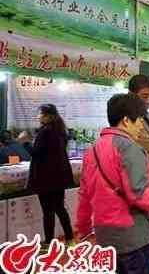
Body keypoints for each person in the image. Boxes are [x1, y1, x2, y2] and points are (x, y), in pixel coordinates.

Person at [77, 94, 149, 274]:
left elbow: (84, 196)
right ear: (126, 121)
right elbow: (139, 195)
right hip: (132, 239)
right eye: (139, 119)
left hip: (104, 238)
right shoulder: (129, 148)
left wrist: (84, 229)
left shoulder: (91, 151)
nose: (141, 125)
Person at [27, 104, 75, 248]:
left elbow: (36, 153)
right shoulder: (60, 130)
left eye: (40, 114)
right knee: (60, 208)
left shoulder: (45, 131)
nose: (38, 116)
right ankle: (70, 239)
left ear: (48, 115)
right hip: (59, 177)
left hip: (46, 178)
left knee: (48, 212)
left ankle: (48, 243)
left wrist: (24, 143)